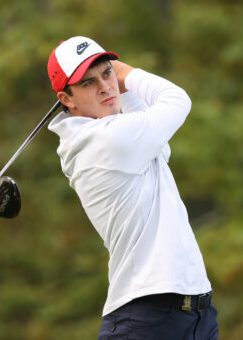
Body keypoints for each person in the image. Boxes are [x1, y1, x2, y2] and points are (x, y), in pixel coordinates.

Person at [47, 36, 219, 340]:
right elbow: (177, 100)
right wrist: (126, 73)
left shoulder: (120, 136)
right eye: (88, 83)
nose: (104, 86)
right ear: (66, 99)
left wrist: (118, 86)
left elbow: (154, 135)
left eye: (106, 73)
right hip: (146, 318)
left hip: (196, 313)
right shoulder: (103, 141)